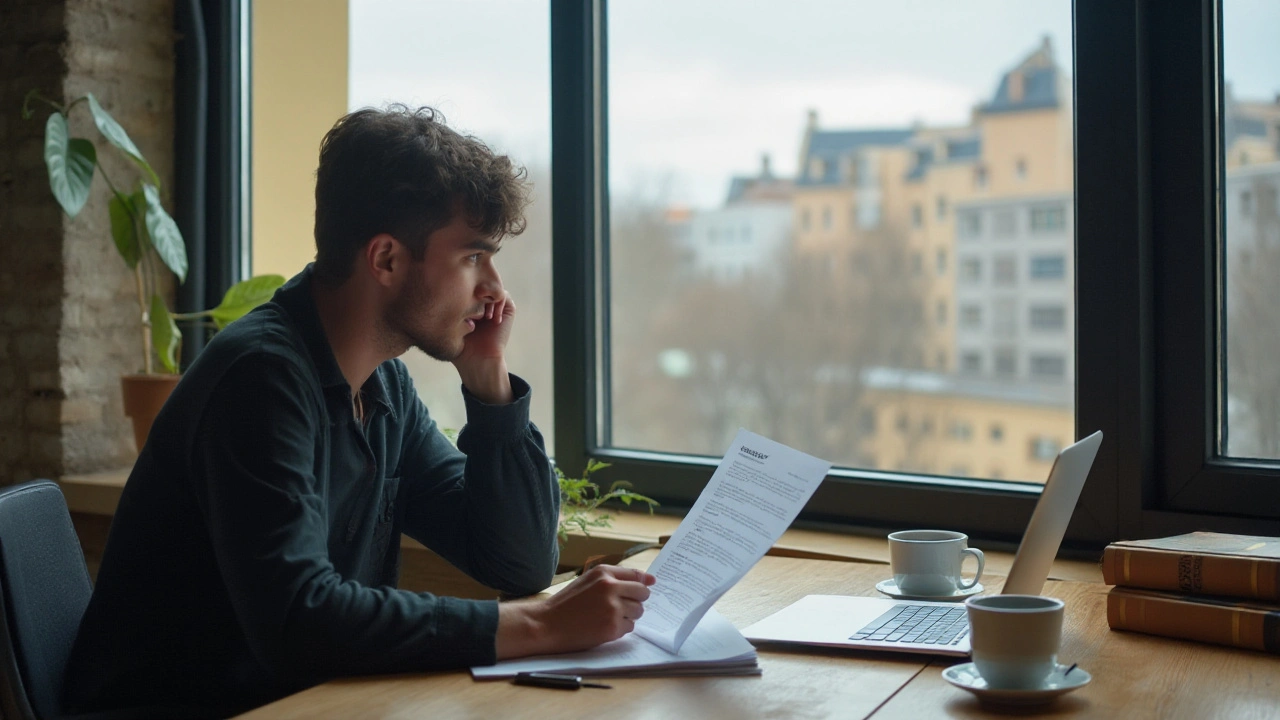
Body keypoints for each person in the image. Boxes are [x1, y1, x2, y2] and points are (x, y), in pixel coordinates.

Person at [63, 105, 656, 719]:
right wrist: (539, 625)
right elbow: (299, 620)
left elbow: (517, 558)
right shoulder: (259, 381)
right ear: (387, 260)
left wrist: (489, 385)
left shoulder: (384, 388)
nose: (497, 291)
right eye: (474, 257)